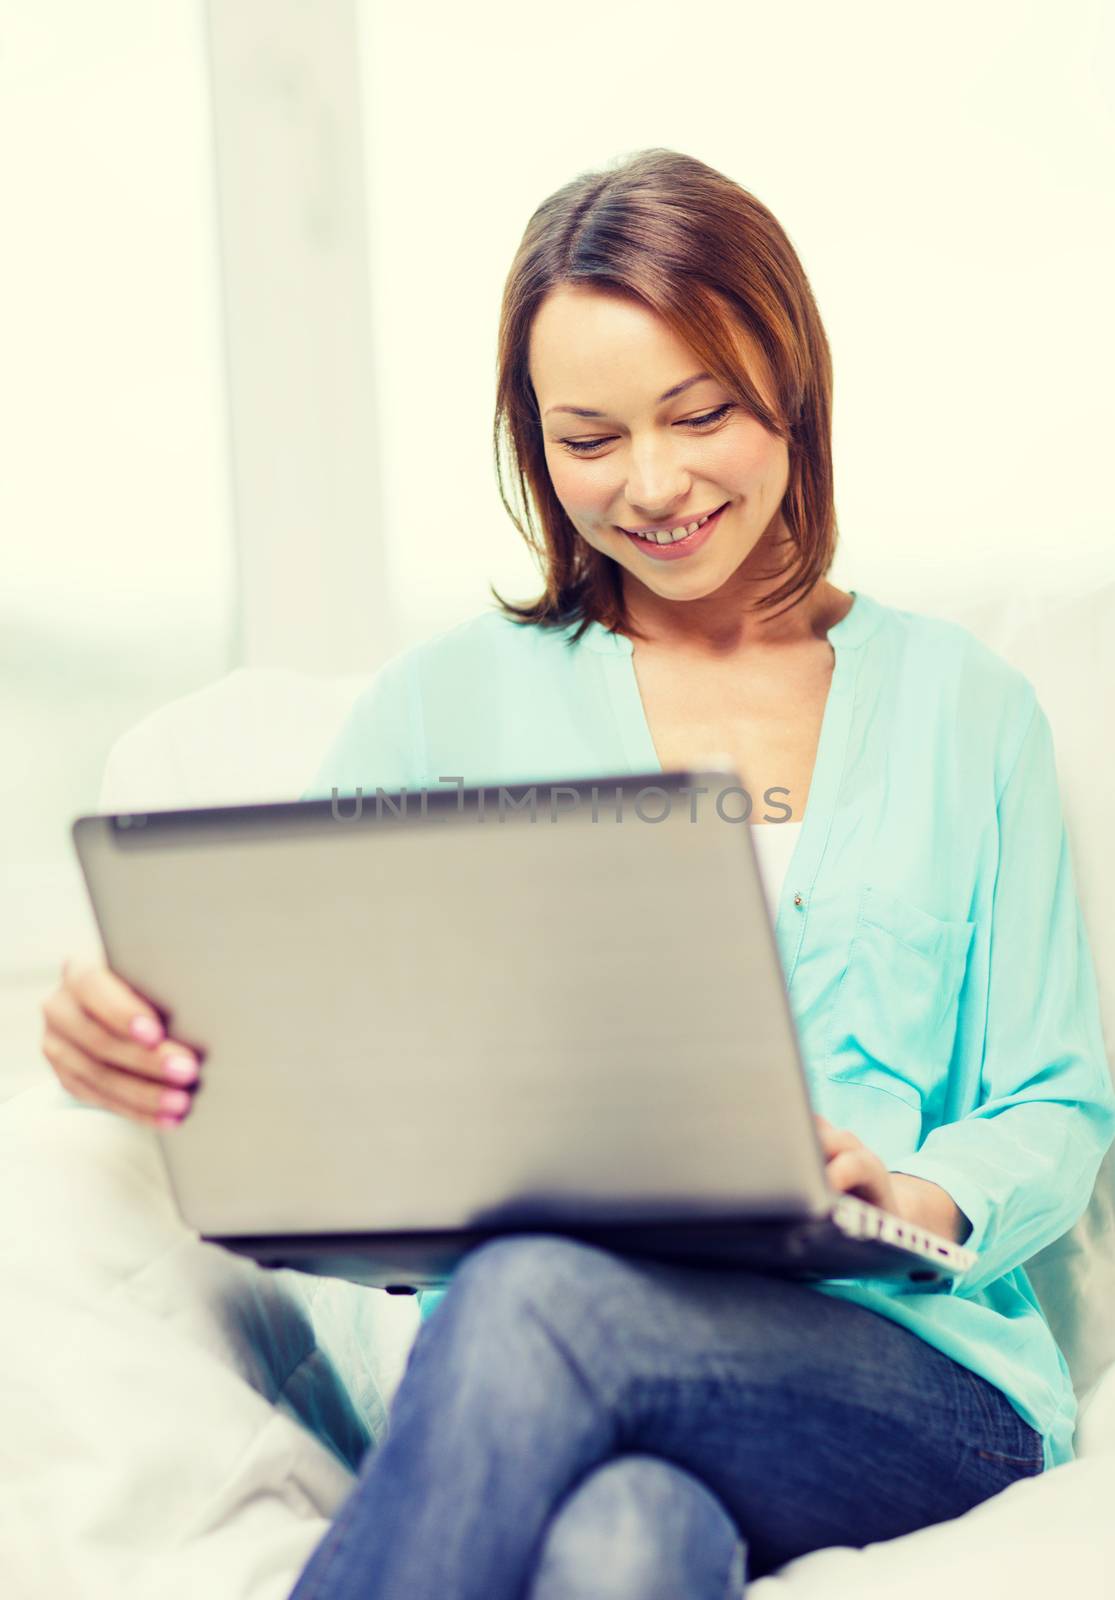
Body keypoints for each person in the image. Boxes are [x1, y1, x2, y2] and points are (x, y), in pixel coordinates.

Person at [40, 148, 1115, 1598]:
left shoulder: (966, 706)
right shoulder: (445, 707)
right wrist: (136, 1026)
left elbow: (1054, 1096)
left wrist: (909, 1190)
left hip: (906, 1380)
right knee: (623, 1545)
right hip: (551, 1374)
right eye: (589, 437)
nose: (653, 484)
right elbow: (314, 1028)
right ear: (530, 444)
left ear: (789, 389)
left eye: (699, 414)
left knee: (534, 1297)